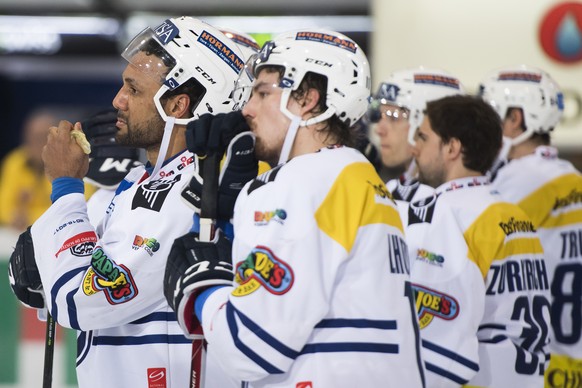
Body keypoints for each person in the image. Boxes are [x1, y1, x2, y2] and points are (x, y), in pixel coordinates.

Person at [164, 29, 426, 387]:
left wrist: (202, 292)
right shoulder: (357, 176)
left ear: (307, 100)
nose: (247, 109)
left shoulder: (298, 183)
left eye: (262, 92)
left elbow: (252, 346)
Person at [10, 16, 247, 387]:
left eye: (133, 90)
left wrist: (66, 186)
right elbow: (54, 287)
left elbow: (80, 299)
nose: (116, 101)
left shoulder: (195, 191)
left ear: (179, 104)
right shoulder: (136, 182)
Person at [406, 94, 551, 387]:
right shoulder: (514, 214)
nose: (414, 148)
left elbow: (431, 329)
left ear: (452, 147)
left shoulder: (447, 215)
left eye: (423, 136)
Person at [479, 65, 582, 387]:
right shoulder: (571, 178)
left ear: (516, 120)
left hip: (536, 364)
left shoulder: (519, 182)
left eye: (491, 115)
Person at [367, 67, 465, 205]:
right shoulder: (398, 187)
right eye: (380, 115)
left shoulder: (453, 204)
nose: (379, 130)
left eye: (393, 117)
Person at [0, 109, 96, 231]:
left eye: (41, 137)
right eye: (31, 136)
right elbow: (3, 207)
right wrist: (14, 217)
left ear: (55, 138)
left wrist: (28, 217)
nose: (35, 143)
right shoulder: (15, 161)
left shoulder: (74, 161)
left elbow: (81, 205)